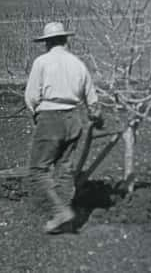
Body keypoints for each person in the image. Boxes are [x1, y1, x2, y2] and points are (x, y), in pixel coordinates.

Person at [24, 21, 103, 234]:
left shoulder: (42, 62)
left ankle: (60, 211)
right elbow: (93, 101)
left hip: (50, 118)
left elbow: (31, 96)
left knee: (38, 170)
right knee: (65, 168)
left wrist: (36, 114)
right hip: (74, 118)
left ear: (47, 43)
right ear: (66, 40)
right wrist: (96, 117)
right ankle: (66, 218)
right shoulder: (78, 64)